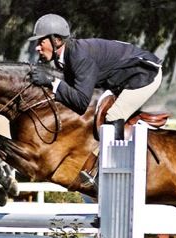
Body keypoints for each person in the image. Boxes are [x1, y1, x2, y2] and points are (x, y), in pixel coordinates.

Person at [28, 14, 163, 142]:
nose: (37, 48)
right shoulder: (63, 57)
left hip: (143, 73)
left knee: (113, 116)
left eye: (41, 42)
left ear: (56, 40)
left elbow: (81, 102)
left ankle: (118, 163)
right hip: (120, 78)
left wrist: (52, 81)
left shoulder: (79, 56)